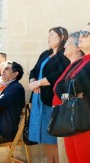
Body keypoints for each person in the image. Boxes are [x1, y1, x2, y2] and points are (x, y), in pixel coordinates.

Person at [55, 22, 90, 163]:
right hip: (71, 120)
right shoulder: (79, 61)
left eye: (86, 34)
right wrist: (71, 94)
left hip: (88, 122)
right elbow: (58, 86)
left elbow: (76, 85)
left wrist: (70, 92)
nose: (81, 36)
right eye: (81, 33)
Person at [28, 26, 70, 163]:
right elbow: (33, 71)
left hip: (51, 99)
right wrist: (33, 82)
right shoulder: (45, 54)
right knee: (43, 136)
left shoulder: (64, 54)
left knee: (52, 136)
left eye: (52, 35)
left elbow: (59, 74)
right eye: (48, 35)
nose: (48, 37)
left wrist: (39, 83)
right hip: (38, 98)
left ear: (62, 37)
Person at [52, 31, 84, 163]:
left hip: (68, 116)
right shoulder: (71, 65)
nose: (64, 46)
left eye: (68, 43)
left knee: (67, 157)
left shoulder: (80, 65)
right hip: (62, 114)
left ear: (78, 47)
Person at [0, 61, 25, 143]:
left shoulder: (16, 88)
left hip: (4, 133)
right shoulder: (3, 86)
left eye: (6, 69)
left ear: (15, 74)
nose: (2, 71)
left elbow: (1, 102)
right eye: (3, 68)